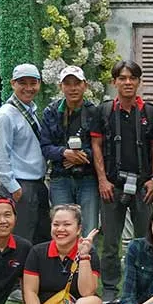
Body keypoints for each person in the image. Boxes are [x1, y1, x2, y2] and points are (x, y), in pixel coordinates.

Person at [91, 60, 153, 303]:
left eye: (132, 78)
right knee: (111, 241)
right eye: (122, 78)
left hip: (142, 186)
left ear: (139, 81)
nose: (127, 82)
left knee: (146, 239)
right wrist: (102, 179)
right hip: (112, 185)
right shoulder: (104, 111)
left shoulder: (149, 112)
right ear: (114, 82)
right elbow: (96, 145)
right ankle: (110, 287)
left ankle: (143, 285)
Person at [0, 63, 51, 245]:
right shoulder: (5, 116)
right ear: (12, 84)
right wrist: (13, 187)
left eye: (33, 83)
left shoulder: (30, 111)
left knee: (40, 239)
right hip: (20, 186)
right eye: (22, 83)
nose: (28, 88)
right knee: (21, 241)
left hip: (37, 185)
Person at [40, 65, 100, 233]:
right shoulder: (51, 112)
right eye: (68, 84)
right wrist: (64, 153)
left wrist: (81, 156)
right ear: (61, 86)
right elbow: (45, 146)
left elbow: (101, 146)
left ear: (85, 85)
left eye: (77, 83)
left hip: (88, 178)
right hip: (60, 178)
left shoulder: (94, 112)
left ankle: (87, 252)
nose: (73, 88)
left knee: (88, 228)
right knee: (62, 228)